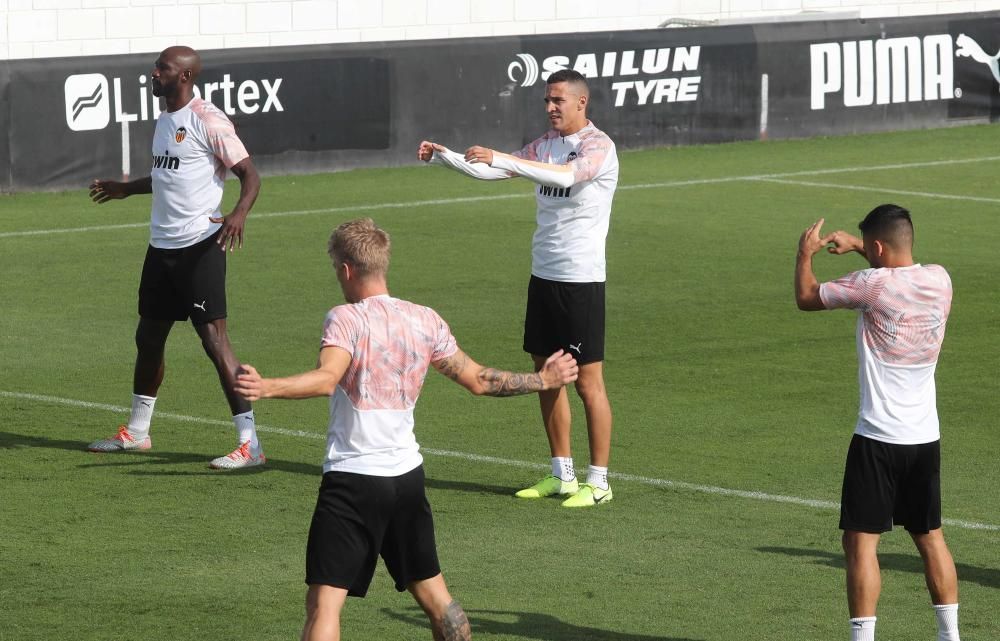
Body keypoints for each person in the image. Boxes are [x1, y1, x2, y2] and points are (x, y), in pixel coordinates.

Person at [233, 218, 578, 641]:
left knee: (324, 607)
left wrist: (264, 387)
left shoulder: (346, 319)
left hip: (353, 481)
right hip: (407, 481)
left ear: (345, 270)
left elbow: (327, 380)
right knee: (439, 601)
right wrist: (543, 380)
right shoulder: (424, 320)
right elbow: (478, 380)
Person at [417, 68, 618, 508]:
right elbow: (497, 171)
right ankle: (561, 474)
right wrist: (444, 157)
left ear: (581, 103)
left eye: (558, 101)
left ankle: (599, 482)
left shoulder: (598, 146)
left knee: (588, 384)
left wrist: (503, 158)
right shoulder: (543, 146)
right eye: (547, 100)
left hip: (581, 281)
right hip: (543, 277)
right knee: (547, 376)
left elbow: (566, 178)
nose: (549, 108)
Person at [87, 45, 265, 470]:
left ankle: (250, 444)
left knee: (214, 341)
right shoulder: (165, 119)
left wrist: (238, 213)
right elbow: (170, 175)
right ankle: (138, 432)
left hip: (201, 246)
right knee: (148, 338)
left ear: (183, 76)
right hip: (161, 247)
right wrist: (125, 188)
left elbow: (250, 174)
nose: (153, 73)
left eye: (162, 68)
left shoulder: (208, 119)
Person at [795, 205, 961, 641]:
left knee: (860, 543)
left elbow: (808, 298)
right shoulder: (940, 280)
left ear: (878, 247)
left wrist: (804, 256)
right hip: (925, 437)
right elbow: (895, 273)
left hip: (877, 438)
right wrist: (860, 247)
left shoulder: (870, 284)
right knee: (930, 538)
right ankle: (950, 636)